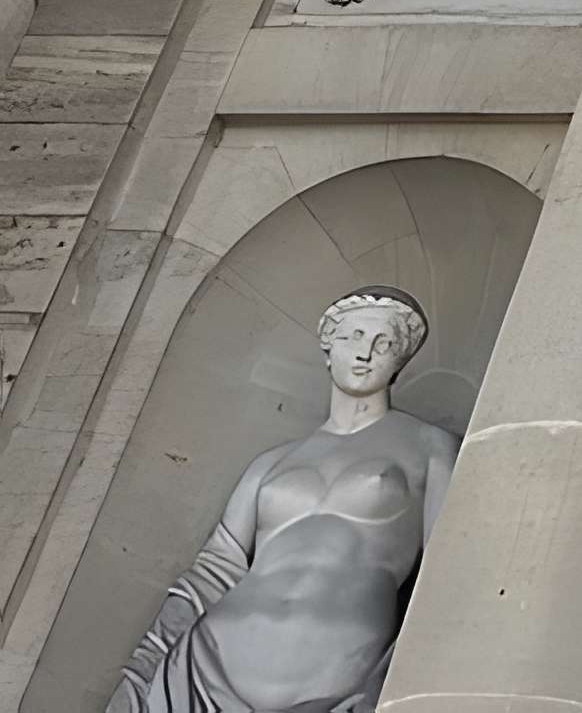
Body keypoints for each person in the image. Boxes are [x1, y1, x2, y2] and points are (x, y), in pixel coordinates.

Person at [110, 286, 458, 713]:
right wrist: (141, 671)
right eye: (353, 337)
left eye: (383, 343)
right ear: (329, 349)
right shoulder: (270, 463)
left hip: (333, 675)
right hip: (205, 667)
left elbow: (449, 575)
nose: (365, 352)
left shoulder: (429, 445)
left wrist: (399, 678)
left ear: (398, 360)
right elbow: (211, 572)